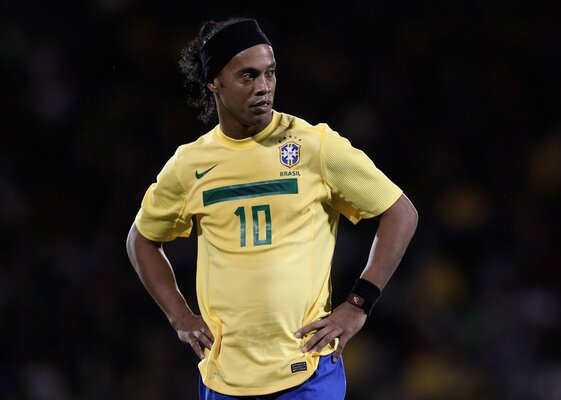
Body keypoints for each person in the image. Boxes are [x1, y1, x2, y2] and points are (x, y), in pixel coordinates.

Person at [126, 16, 418, 399]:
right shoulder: (189, 165)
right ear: (214, 82)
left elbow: (400, 212)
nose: (264, 86)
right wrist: (179, 315)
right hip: (224, 379)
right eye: (248, 76)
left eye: (270, 73)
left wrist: (359, 302)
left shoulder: (314, 146)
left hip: (308, 371)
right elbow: (142, 240)